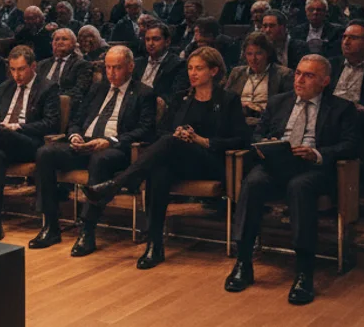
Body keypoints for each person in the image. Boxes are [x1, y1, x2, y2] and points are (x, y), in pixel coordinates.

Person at [86, 46, 249, 269]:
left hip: (212, 162)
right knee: (159, 169)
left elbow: (241, 140)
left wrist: (202, 140)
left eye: (199, 69)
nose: (192, 73)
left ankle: (119, 183)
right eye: (190, 68)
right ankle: (154, 245)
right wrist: (177, 135)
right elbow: (162, 132)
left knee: (168, 146)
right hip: (181, 159)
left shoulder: (228, 99)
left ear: (214, 71)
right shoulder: (182, 97)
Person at [226, 55, 359, 305]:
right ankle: (243, 262)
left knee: (299, 187)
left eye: (308, 75)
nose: (299, 79)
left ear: (325, 81)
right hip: (277, 163)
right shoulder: (278, 102)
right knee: (253, 182)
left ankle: (304, 271)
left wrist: (318, 153)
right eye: (298, 73)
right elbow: (257, 133)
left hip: (314, 168)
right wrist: (268, 145)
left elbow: (351, 146)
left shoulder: (342, 108)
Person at [30, 45, 155, 254]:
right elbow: (76, 119)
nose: (111, 73)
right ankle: (51, 224)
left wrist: (111, 140)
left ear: (131, 67)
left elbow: (146, 130)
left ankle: (87, 229)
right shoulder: (97, 88)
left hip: (115, 148)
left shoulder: (144, 93)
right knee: (45, 153)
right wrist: (74, 135)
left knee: (101, 160)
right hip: (85, 143)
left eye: (117, 68)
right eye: (107, 68)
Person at [0, 45, 62, 241]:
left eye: (21, 69)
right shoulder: (5, 87)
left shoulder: (48, 87)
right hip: (5, 143)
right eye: (13, 69)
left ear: (33, 66)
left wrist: (18, 127)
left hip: (31, 142)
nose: (16, 75)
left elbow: (51, 123)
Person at [224, 32, 294, 127]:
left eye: (258, 53)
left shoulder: (283, 74)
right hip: (236, 121)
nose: (253, 59)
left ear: (268, 53)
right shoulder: (237, 73)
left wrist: (255, 109)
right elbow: (225, 100)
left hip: (264, 123)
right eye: (249, 54)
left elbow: (284, 108)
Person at [37, 28, 94, 100]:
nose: (60, 42)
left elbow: (79, 91)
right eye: (56, 39)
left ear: (73, 43)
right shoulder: (42, 65)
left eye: (64, 39)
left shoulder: (82, 65)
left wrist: (54, 99)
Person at [134, 23, 186, 96]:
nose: (150, 43)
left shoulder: (178, 64)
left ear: (167, 42)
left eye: (155, 39)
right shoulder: (137, 63)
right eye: (147, 40)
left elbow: (176, 95)